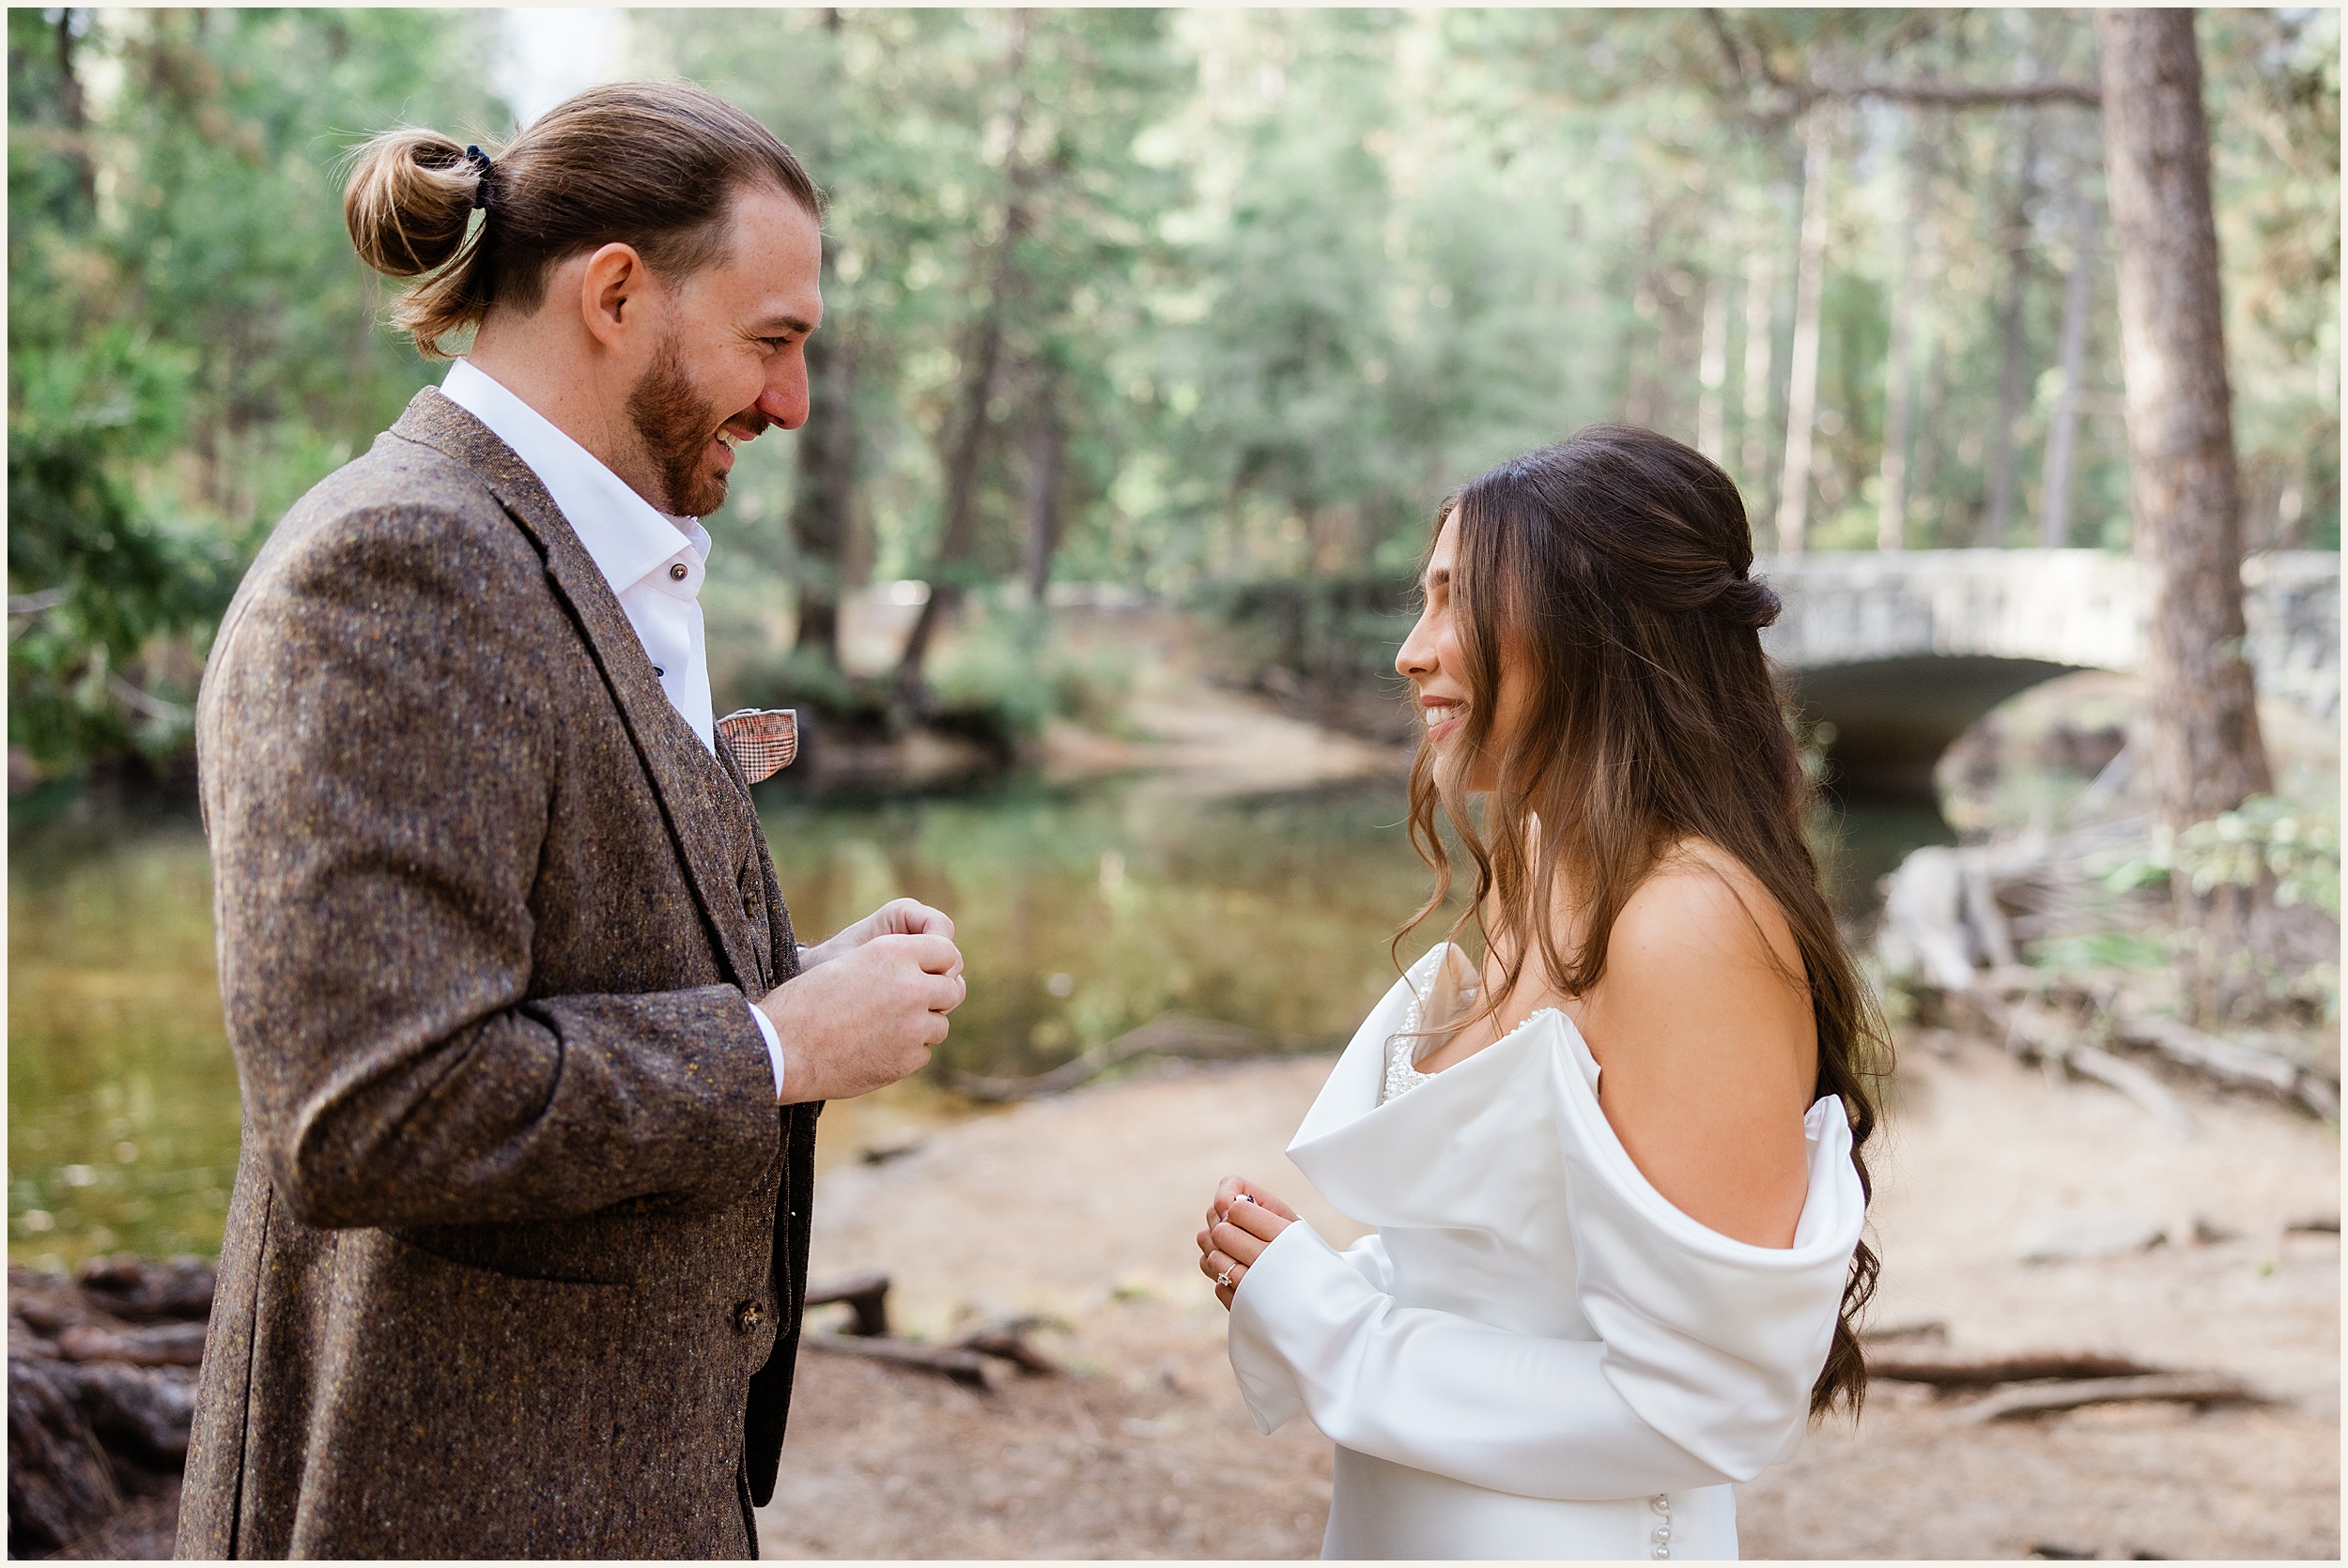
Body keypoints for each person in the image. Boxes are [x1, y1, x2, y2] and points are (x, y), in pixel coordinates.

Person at [178, 83, 965, 1559]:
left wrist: (794, 984)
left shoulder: (587, 558)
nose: (790, 403)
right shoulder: (399, 564)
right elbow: (370, 1109)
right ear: (615, 292)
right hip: (440, 1500)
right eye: (774, 340)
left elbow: (580, 944)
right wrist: (781, 1046)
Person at [1196, 427, 1880, 1560]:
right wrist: (1309, 1271)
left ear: (1589, 627)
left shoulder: (1688, 919)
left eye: (1457, 602)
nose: (1413, 651)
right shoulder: (1535, 870)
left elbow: (1706, 1403)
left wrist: (1328, 1324)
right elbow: (1518, 1259)